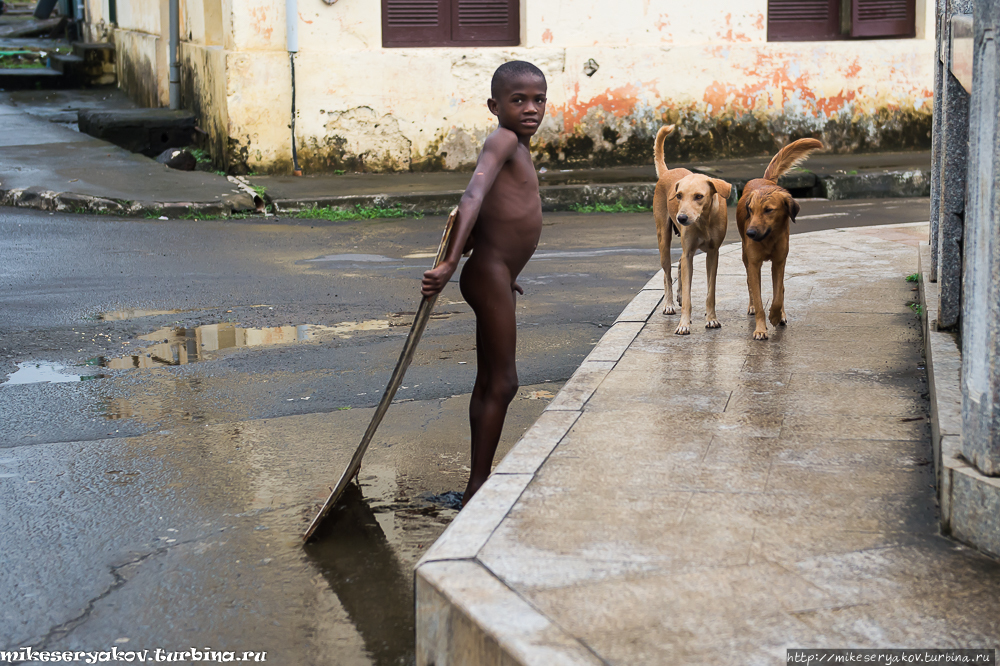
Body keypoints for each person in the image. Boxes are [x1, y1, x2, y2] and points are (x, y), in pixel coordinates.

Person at [420, 61, 547, 505]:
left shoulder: (520, 146)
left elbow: (497, 211)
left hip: (498, 275)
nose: (530, 108)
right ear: (495, 106)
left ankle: (478, 482)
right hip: (488, 272)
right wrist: (451, 262)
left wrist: (507, 275)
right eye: (518, 100)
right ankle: (477, 486)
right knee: (504, 382)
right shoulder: (503, 139)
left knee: (490, 379)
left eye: (539, 100)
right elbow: (471, 197)